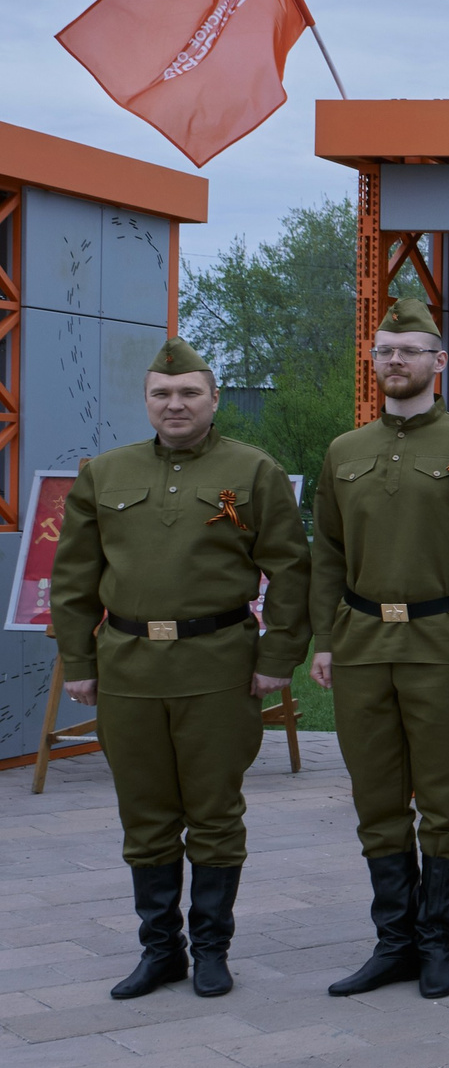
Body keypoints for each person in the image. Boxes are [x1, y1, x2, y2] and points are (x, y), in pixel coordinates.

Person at [52, 337, 311, 999]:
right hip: (128, 667)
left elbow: (290, 568)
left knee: (216, 810)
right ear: (146, 401)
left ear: (215, 398)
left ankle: (212, 949)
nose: (176, 403)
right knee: (144, 813)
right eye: (162, 393)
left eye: (190, 392)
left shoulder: (254, 471)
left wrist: (277, 657)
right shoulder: (103, 475)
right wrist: (79, 660)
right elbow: (75, 577)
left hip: (218, 664)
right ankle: (159, 950)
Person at [310, 298, 449, 1000]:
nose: (395, 361)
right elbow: (328, 554)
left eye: (410, 349)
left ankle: (437, 942)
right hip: (364, 640)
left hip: (448, 642)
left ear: (440, 361)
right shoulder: (345, 452)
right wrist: (327, 640)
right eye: (385, 350)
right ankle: (392, 940)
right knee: (376, 798)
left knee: (445, 800)